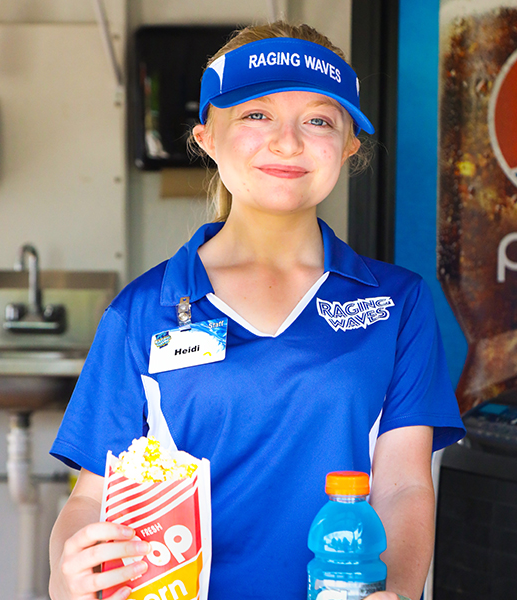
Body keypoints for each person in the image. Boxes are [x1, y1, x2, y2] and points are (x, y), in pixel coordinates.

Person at [48, 21, 465, 600]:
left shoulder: (397, 304)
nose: (287, 142)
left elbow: (402, 488)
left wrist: (393, 589)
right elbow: (92, 497)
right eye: (255, 115)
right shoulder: (142, 312)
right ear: (206, 137)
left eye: (318, 120)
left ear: (348, 145)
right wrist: (65, 577)